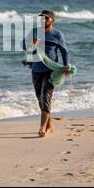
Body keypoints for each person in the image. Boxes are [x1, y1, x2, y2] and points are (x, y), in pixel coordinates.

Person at [22, 9, 70, 137]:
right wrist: (30, 43)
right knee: (40, 99)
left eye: (46, 18)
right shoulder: (34, 31)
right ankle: (50, 124)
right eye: (41, 18)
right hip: (36, 69)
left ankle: (42, 128)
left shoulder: (57, 35)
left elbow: (64, 51)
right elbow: (23, 45)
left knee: (45, 96)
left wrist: (66, 66)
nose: (43, 20)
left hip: (51, 70)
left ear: (52, 20)